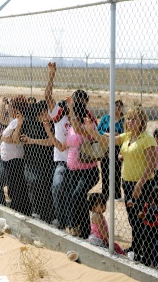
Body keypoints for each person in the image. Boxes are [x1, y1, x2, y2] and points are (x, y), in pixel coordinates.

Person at [84, 106, 158, 261]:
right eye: (129, 118)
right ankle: (137, 248)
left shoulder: (147, 139)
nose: (130, 121)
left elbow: (152, 164)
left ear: (142, 121)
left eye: (134, 118)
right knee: (133, 219)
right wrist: (93, 133)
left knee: (142, 218)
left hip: (143, 185)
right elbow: (110, 139)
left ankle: (146, 252)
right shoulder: (128, 136)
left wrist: (139, 184)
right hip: (128, 183)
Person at [61, 96, 100, 239]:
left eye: (74, 115)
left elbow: (78, 129)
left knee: (77, 196)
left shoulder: (88, 127)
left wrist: (71, 107)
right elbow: (66, 144)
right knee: (79, 198)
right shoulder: (72, 128)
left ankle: (78, 226)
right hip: (73, 171)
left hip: (88, 171)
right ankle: (84, 231)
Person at [44, 62, 70, 229]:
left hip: (76, 162)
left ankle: (69, 222)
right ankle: (62, 221)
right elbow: (47, 96)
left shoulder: (79, 118)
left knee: (69, 194)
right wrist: (51, 76)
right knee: (57, 188)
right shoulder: (60, 116)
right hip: (62, 160)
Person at [20, 100, 55, 223]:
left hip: (48, 162)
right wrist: (24, 139)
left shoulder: (51, 125)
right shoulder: (29, 122)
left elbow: (50, 142)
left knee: (47, 188)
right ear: (42, 112)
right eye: (48, 111)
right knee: (34, 184)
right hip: (31, 161)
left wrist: (32, 140)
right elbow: (22, 136)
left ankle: (49, 217)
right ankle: (37, 212)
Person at [0, 96, 31, 215]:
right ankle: (17, 208)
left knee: (17, 187)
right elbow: (2, 119)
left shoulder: (19, 121)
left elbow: (15, 139)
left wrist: (5, 138)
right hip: (9, 159)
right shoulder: (13, 120)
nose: (9, 109)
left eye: (10, 107)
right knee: (13, 186)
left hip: (15, 159)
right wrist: (3, 105)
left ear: (17, 109)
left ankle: (21, 210)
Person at [137, 185, 158, 272]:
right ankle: (146, 261)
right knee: (147, 250)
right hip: (149, 235)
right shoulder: (150, 205)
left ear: (153, 198)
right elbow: (143, 207)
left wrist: (145, 216)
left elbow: (156, 218)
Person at [97, 99, 124, 200]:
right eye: (116, 105)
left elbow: (125, 133)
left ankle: (117, 194)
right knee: (105, 170)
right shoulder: (106, 118)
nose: (118, 107)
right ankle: (105, 194)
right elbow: (98, 130)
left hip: (117, 148)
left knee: (117, 171)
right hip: (105, 147)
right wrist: (108, 134)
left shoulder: (123, 121)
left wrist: (118, 136)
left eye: (120, 106)